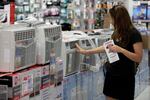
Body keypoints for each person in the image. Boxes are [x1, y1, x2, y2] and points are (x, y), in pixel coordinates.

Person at [76, 5, 143, 100]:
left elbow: (138, 57)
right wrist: (87, 52)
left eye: (112, 18)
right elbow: (106, 47)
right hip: (112, 73)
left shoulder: (134, 34)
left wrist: (121, 50)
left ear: (118, 19)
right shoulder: (116, 32)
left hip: (125, 76)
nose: (111, 21)